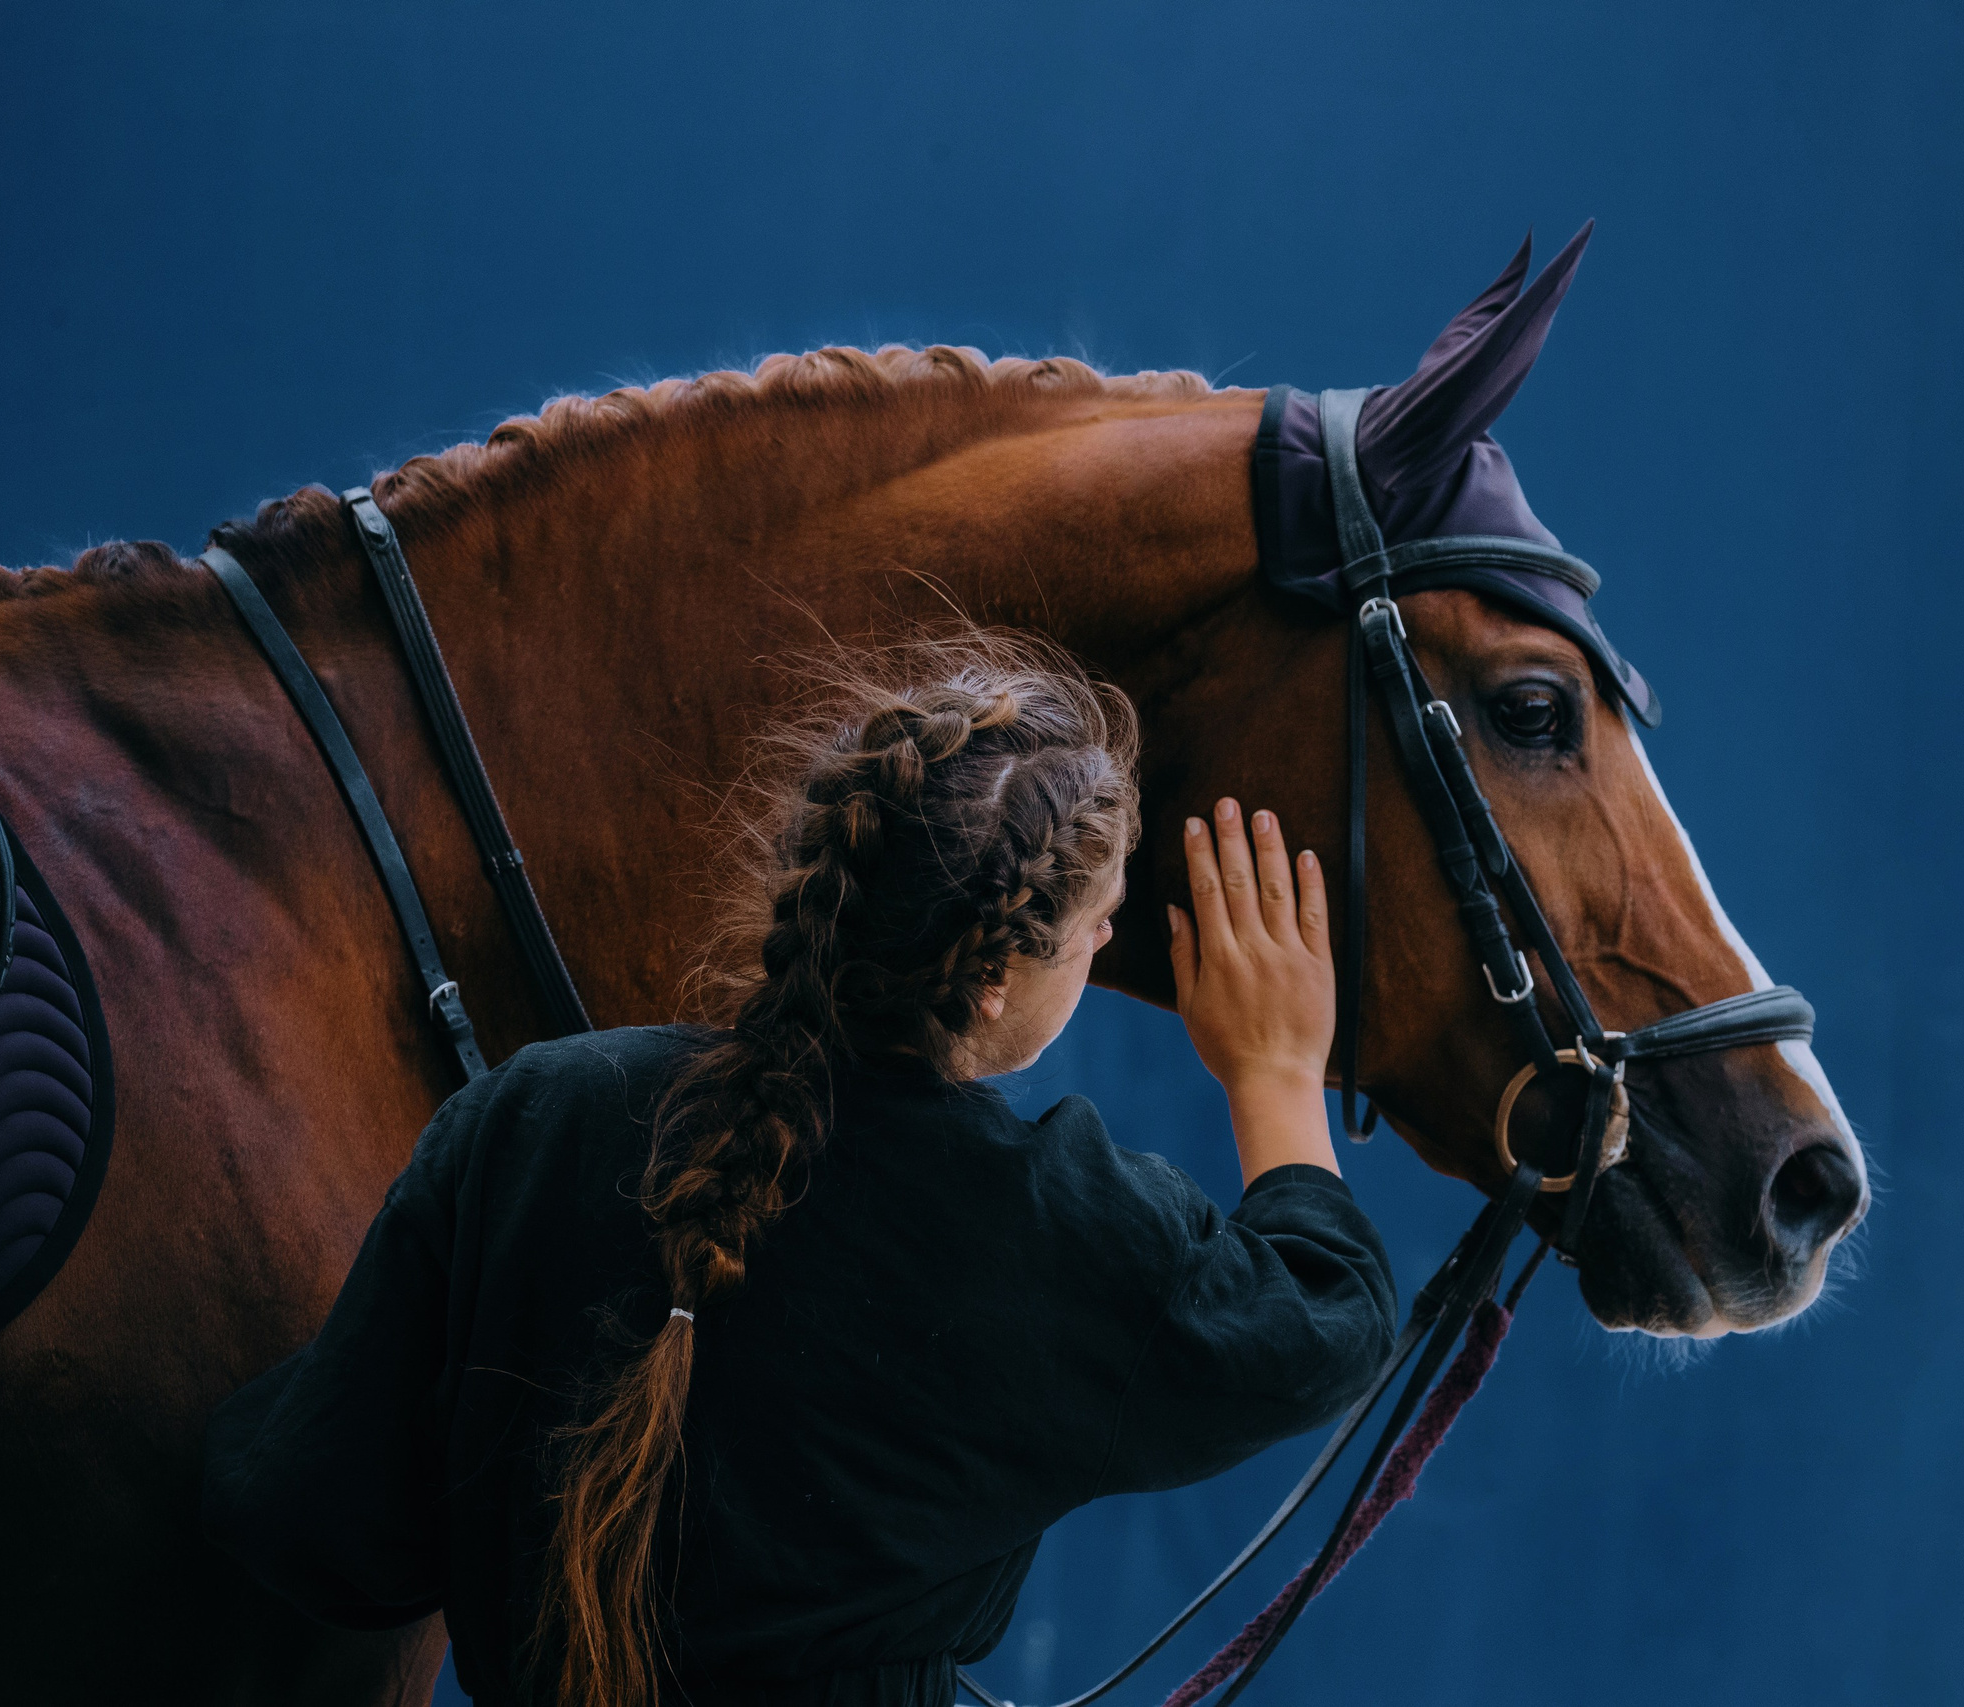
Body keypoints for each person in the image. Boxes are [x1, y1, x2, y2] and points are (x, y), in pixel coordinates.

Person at [200, 630, 1396, 1707]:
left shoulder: (535, 1113)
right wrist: (1276, 1071)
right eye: (1099, 925)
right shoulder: (1049, 1226)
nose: (1101, 946)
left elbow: (317, 1525)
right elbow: (1323, 1316)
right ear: (993, 979)